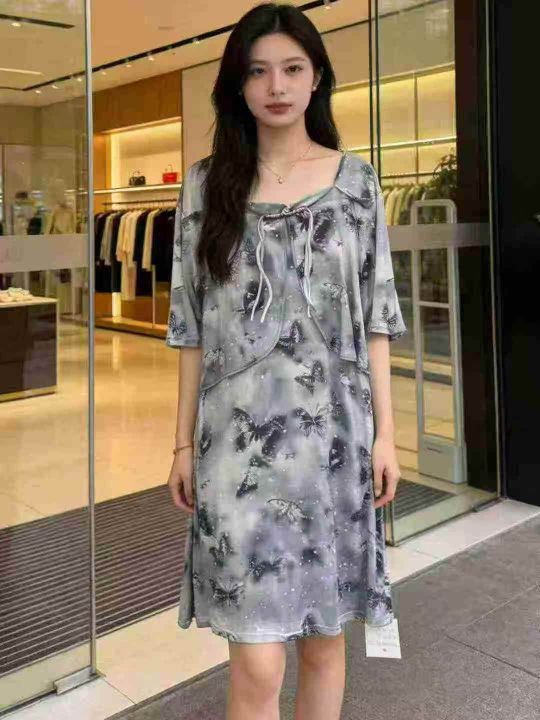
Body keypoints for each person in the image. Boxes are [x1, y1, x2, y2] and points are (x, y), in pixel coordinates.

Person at [166, 3, 407, 719]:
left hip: (334, 441)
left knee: (324, 643)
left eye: (292, 68)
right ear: (237, 85)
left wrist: (386, 436)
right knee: (258, 662)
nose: (276, 86)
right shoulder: (206, 187)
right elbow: (190, 327)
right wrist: (181, 444)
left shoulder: (356, 182)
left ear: (317, 77)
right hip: (235, 452)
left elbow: (377, 321)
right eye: (258, 71)